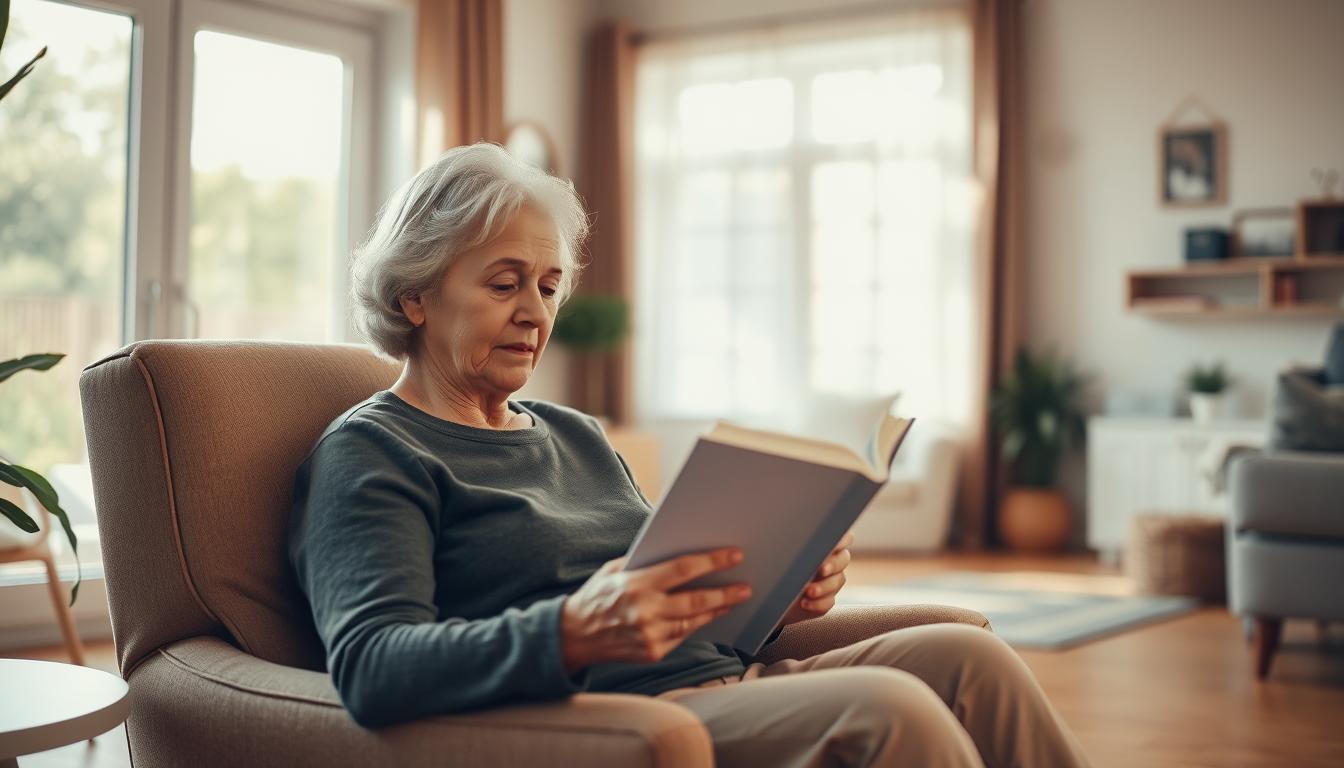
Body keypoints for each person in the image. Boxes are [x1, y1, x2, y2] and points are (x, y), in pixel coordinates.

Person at [289, 142, 1091, 767]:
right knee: (894, 709)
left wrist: (782, 589)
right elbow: (372, 664)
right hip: (606, 721)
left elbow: (679, 599)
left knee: (970, 657)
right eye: (504, 284)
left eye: (548, 285)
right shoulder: (373, 452)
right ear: (414, 295)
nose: (535, 312)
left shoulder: (573, 433)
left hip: (725, 682)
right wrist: (568, 631)